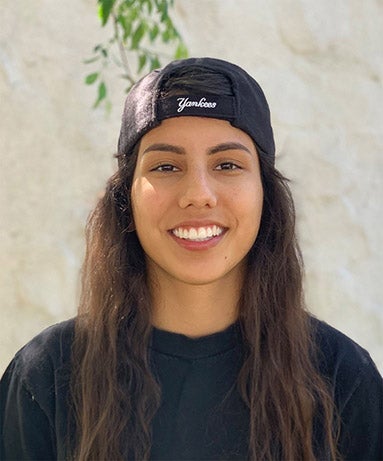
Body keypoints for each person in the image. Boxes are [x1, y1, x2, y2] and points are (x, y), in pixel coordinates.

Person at [1, 57, 382, 461]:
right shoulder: (45, 379)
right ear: (126, 198)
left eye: (228, 164)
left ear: (265, 196)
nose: (198, 193)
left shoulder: (341, 379)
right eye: (166, 166)